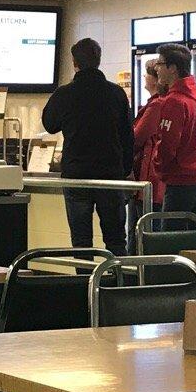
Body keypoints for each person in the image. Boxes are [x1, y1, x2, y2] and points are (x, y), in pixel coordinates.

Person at [41, 37, 133, 251]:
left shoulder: (64, 93)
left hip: (76, 175)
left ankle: (84, 282)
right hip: (110, 176)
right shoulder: (116, 93)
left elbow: (49, 125)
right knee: (116, 239)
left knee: (81, 241)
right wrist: (125, 169)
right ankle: (117, 281)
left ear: (75, 63)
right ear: (99, 60)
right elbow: (128, 136)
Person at [135, 43, 196, 225]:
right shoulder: (194, 95)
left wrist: (160, 170)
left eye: (160, 64)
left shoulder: (174, 101)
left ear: (173, 69)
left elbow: (168, 145)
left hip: (182, 179)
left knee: (170, 238)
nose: (157, 68)